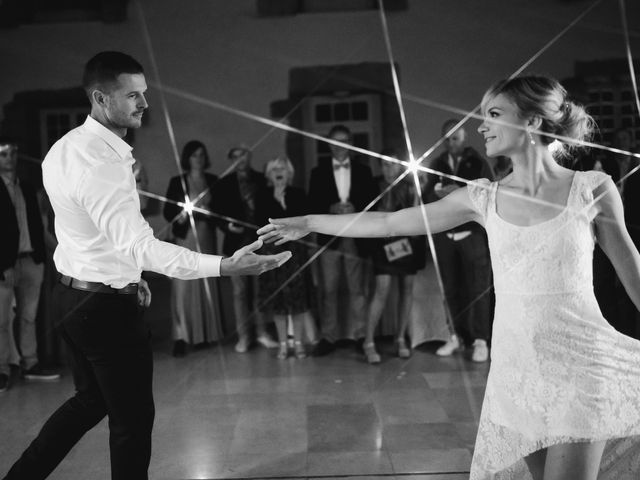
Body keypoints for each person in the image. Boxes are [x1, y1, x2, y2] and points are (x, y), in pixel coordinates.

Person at [259, 74, 640, 480]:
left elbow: (634, 275)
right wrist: (310, 221)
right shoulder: (482, 198)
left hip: (580, 364)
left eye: (494, 114)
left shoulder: (592, 189)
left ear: (531, 123)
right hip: (515, 371)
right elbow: (390, 221)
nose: (481, 126)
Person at [1, 51, 290, 480]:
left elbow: (84, 230)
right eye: (132, 95)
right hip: (103, 311)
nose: (143, 104)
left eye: (144, 94)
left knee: (89, 402)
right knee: (132, 422)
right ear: (101, 98)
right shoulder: (102, 164)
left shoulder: (62, 149)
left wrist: (128, 276)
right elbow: (139, 245)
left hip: (71, 296)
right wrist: (225, 266)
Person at [422, 118, 495, 362]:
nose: (450, 142)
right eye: (447, 138)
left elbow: (489, 196)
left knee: (478, 288)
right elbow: (425, 199)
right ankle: (456, 336)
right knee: (450, 289)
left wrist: (459, 191)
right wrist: (435, 193)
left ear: (464, 139)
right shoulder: (438, 163)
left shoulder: (478, 162)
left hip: (472, 235)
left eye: (455, 138)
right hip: (445, 235)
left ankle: (481, 340)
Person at [307, 124, 377, 356]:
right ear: (329, 144)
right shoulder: (317, 172)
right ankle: (329, 336)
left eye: (344, 140)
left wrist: (355, 206)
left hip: (355, 236)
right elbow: (312, 205)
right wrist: (330, 207)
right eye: (335, 141)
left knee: (358, 289)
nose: (340, 146)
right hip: (329, 239)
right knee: (329, 290)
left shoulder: (364, 170)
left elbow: (372, 201)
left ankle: (359, 335)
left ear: (351, 143)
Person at [0, 138, 60, 394]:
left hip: (32, 260)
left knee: (28, 317)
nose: (9, 158)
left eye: (13, 152)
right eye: (3, 154)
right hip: (5, 264)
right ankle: (2, 369)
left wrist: (61, 252)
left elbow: (39, 227)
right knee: (1, 321)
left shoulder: (27, 187)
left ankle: (30, 363)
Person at [214, 144, 279, 353]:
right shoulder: (224, 184)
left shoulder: (262, 180)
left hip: (260, 241)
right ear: (231, 159)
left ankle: (262, 333)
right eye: (235, 156)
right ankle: (244, 336)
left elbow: (271, 207)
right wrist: (227, 226)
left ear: (249, 156)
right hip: (235, 243)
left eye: (243, 155)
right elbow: (218, 213)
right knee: (240, 292)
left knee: (260, 291)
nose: (240, 159)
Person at [363, 149, 423, 364]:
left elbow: (417, 215)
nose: (389, 169)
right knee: (382, 289)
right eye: (385, 165)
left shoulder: (409, 186)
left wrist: (418, 191)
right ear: (380, 167)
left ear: (400, 166)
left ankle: (400, 339)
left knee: (407, 289)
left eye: (393, 164)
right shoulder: (373, 185)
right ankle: (368, 341)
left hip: (407, 243)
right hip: (382, 244)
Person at [163, 140, 223, 356]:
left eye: (201, 154)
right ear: (187, 158)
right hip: (186, 237)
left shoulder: (213, 180)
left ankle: (204, 335)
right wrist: (183, 215)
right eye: (194, 155)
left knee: (206, 283)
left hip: (207, 237)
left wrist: (209, 211)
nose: (199, 158)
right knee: (183, 287)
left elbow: (221, 210)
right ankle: (181, 337)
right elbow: (168, 211)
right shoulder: (177, 181)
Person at [255, 157, 315, 360]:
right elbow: (259, 223)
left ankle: (298, 343)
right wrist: (275, 198)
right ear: (269, 175)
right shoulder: (262, 195)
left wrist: (284, 200)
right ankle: (282, 343)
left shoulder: (298, 194)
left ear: (289, 173)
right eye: (274, 169)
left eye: (282, 168)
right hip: (272, 252)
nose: (279, 171)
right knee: (278, 301)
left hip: (296, 253)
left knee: (297, 301)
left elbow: (304, 222)